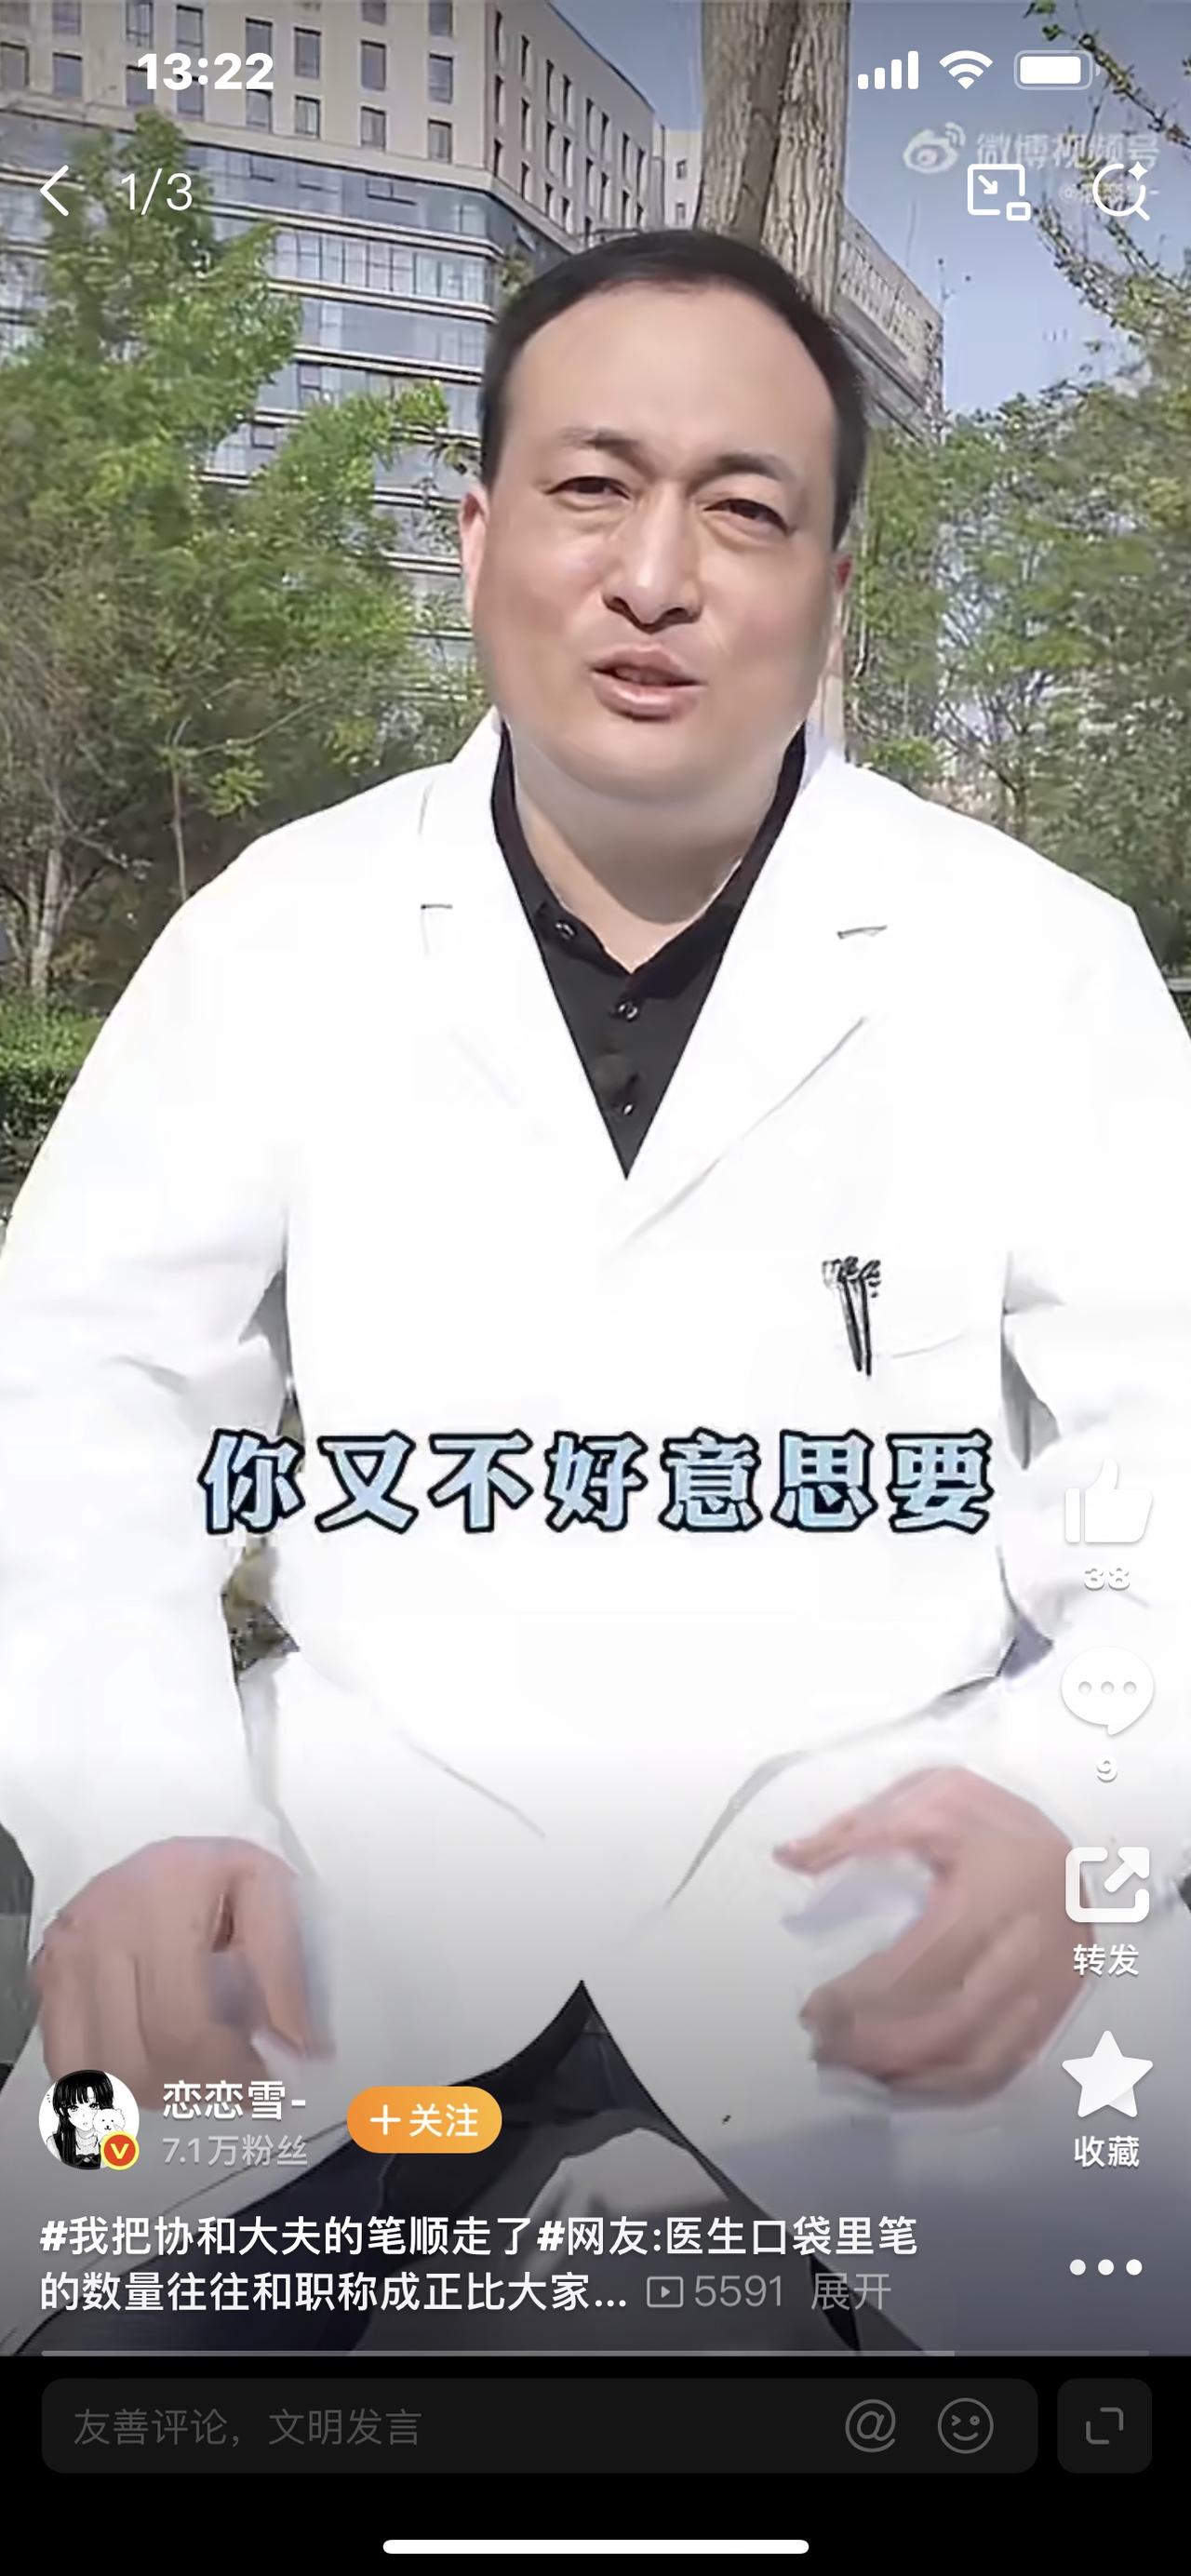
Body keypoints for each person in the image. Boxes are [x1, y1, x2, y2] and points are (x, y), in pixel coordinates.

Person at [1, 229, 1189, 2359]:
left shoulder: (1035, 958)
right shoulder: (281, 930)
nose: (656, 575)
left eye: (744, 509)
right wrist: (131, 1805)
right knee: (106, 2330)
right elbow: (77, 1389)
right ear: (476, 538)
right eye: (590, 487)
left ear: (832, 584)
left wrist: (1081, 1800)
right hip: (342, 1851)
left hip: (885, 1866)